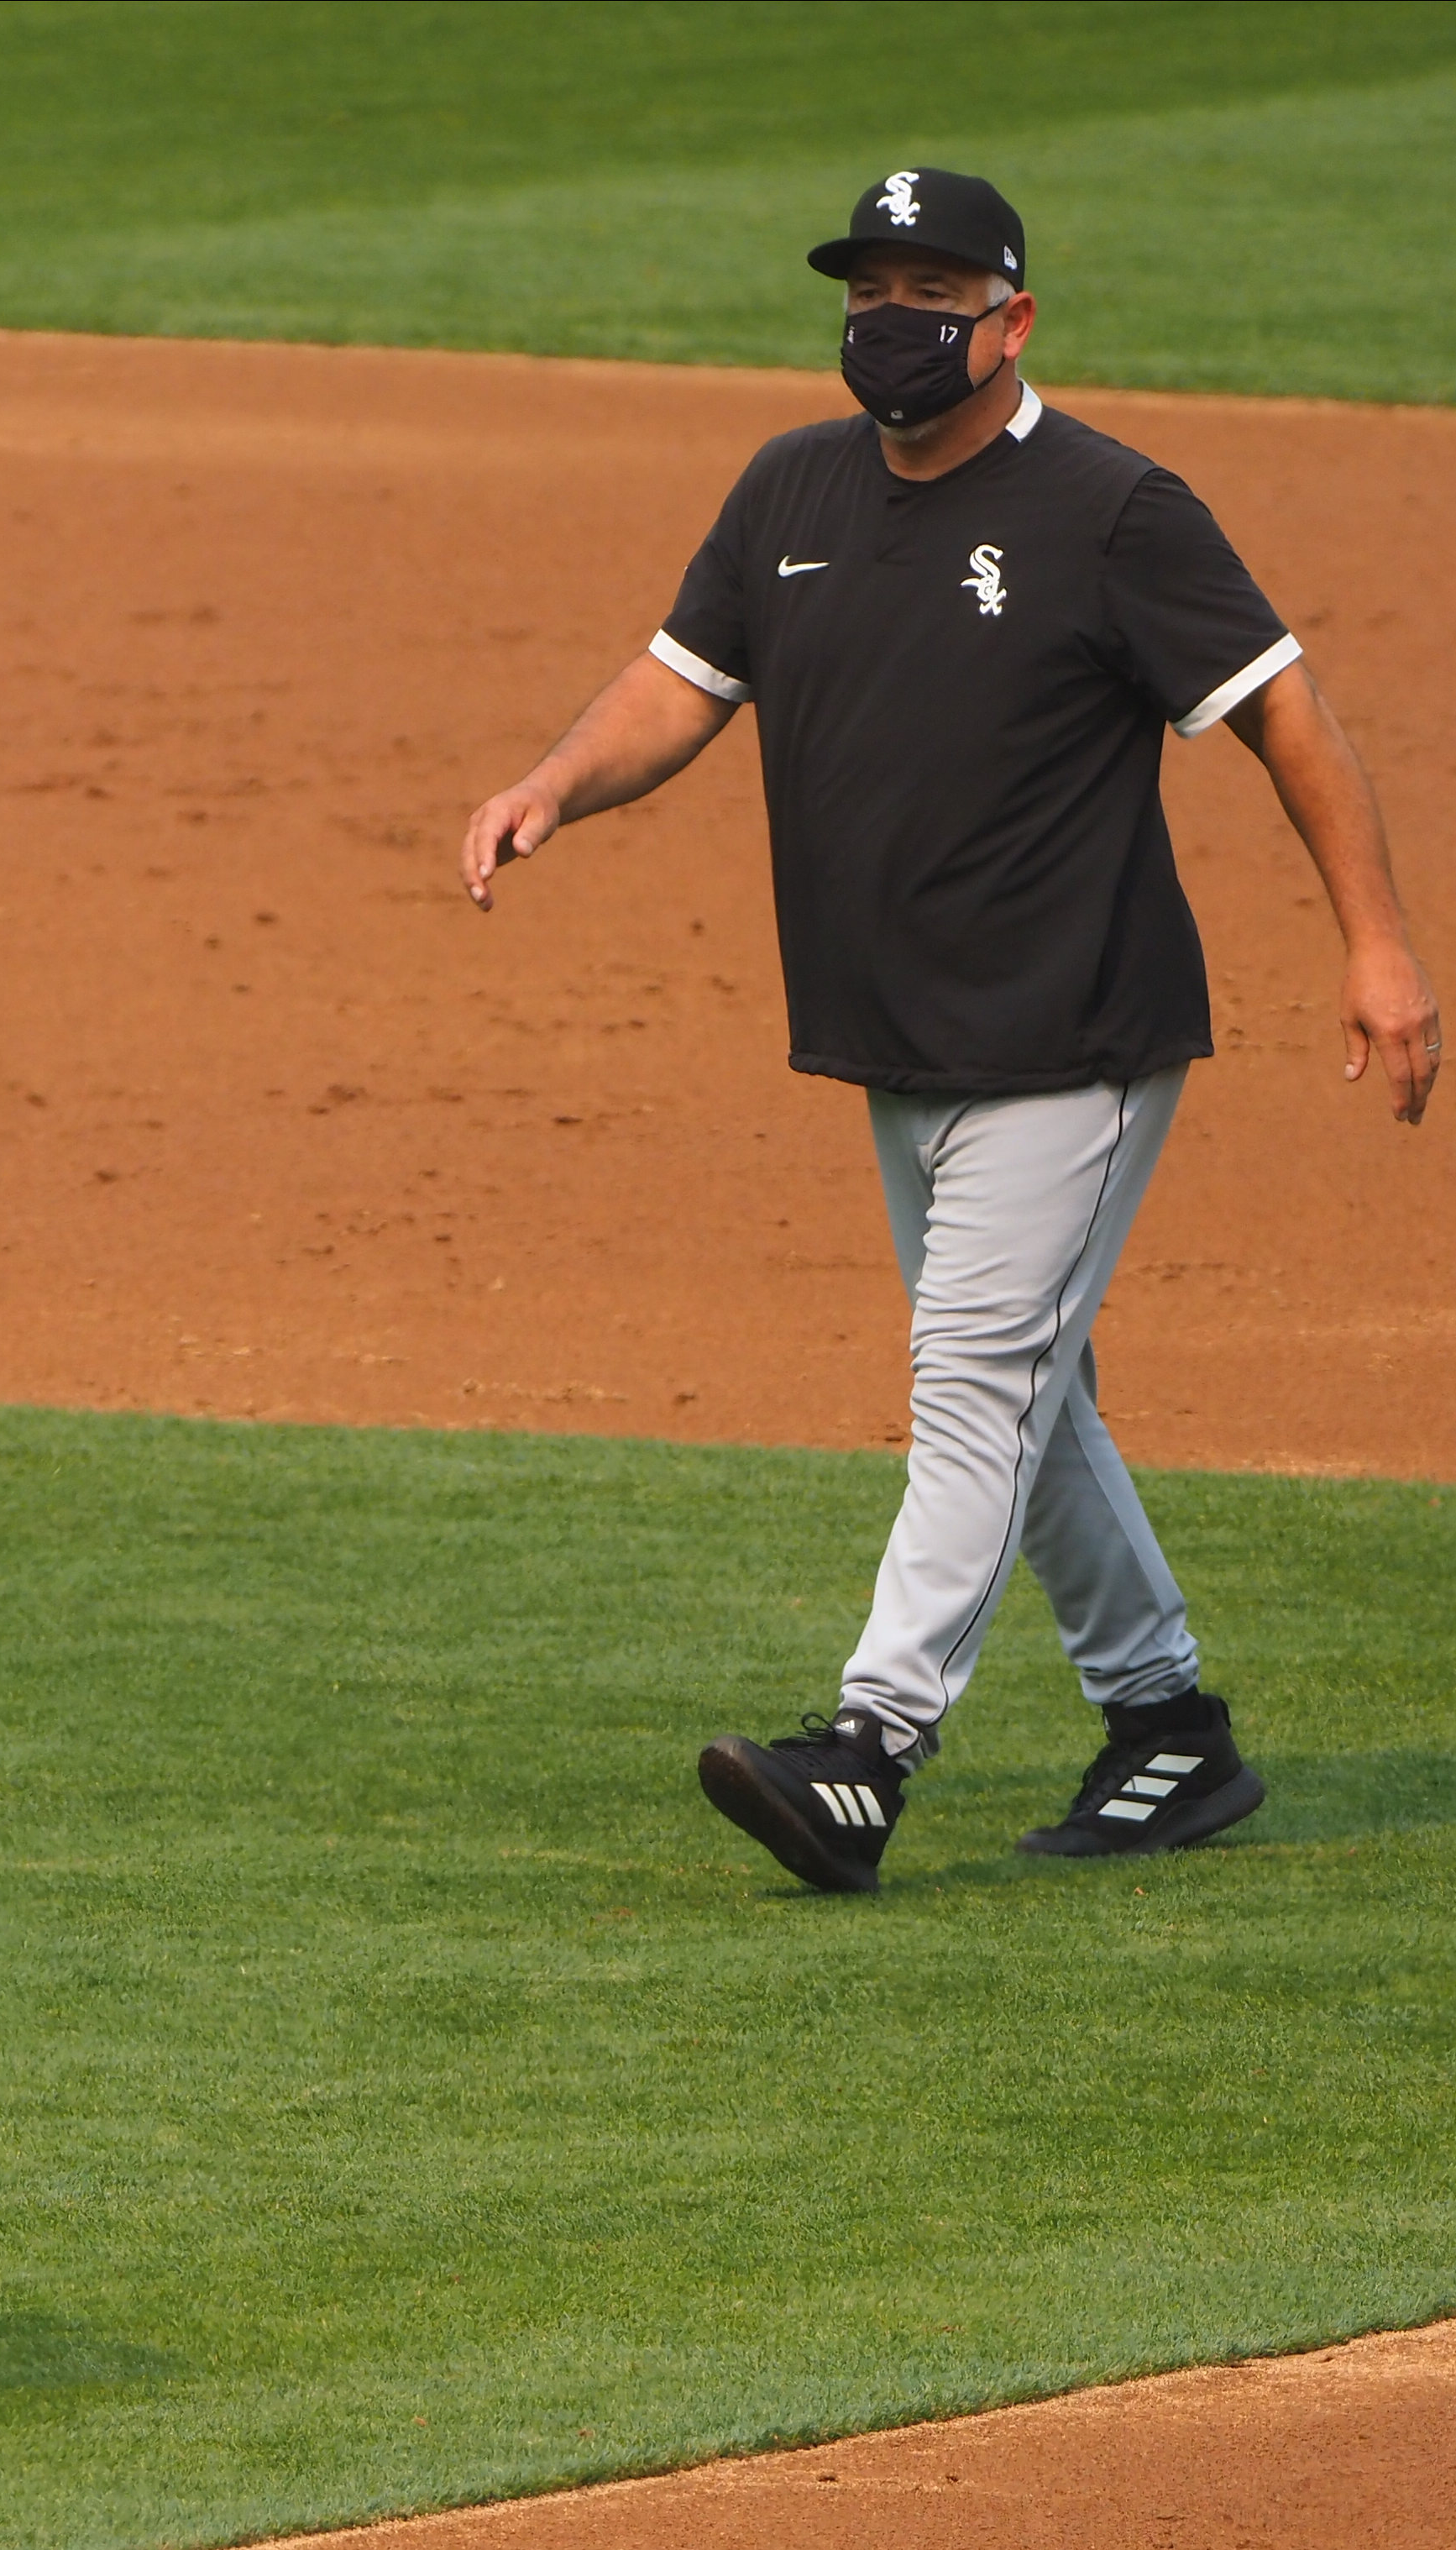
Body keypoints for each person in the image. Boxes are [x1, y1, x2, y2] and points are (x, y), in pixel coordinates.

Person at [458, 170, 1438, 1895]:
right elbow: (682, 677)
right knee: (1026, 1386)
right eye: (864, 290)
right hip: (897, 1038)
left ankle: (868, 1746)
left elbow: (1278, 704)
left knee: (970, 1378)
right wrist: (553, 783)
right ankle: (1165, 1728)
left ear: (1011, 317)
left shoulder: (1108, 508)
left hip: (1070, 1032)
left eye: (928, 289)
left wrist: (1375, 943)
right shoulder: (790, 487)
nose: (887, 322)